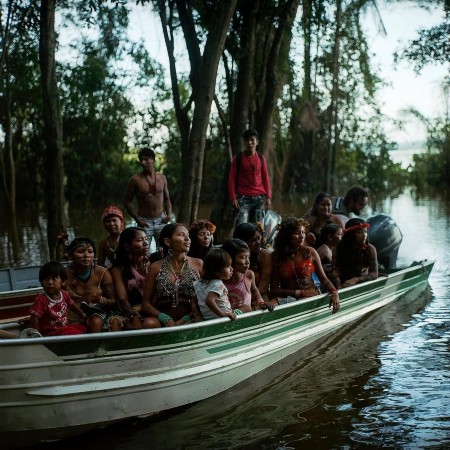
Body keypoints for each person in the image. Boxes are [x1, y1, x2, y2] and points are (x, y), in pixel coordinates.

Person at [270, 217, 340, 313]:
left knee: (297, 304)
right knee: (269, 305)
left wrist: (334, 292)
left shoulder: (310, 252)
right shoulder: (276, 256)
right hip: (289, 297)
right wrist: (299, 293)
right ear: (286, 236)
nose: (302, 236)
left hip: (311, 296)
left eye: (303, 232)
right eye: (297, 233)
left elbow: (324, 279)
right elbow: (274, 289)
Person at [141, 223, 203, 327]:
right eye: (182, 235)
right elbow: (145, 304)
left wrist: (188, 317)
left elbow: (207, 296)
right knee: (149, 323)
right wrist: (164, 318)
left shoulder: (198, 264)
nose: (187, 238)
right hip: (165, 322)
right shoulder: (155, 267)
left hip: (192, 319)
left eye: (188, 235)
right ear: (168, 241)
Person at [65, 237, 122, 333]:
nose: (86, 255)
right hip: (73, 317)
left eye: (90, 252)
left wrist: (102, 300)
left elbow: (113, 301)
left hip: (100, 314)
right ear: (71, 254)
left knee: (110, 321)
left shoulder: (103, 273)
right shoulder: (63, 275)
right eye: (81, 251)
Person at [124, 147, 172, 252]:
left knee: (164, 250)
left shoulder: (161, 177)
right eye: (141, 160)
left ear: (153, 160)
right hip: (144, 222)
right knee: (143, 251)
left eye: (146, 159)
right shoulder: (135, 180)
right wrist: (137, 219)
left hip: (161, 220)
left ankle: (161, 268)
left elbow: (167, 199)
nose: (143, 162)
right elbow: (127, 201)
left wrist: (168, 215)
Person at [29, 261, 87, 336]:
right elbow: (34, 316)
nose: (50, 282)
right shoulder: (41, 299)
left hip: (63, 328)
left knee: (83, 329)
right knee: (76, 333)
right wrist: (37, 334)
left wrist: (84, 316)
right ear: (41, 282)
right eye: (46, 279)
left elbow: (73, 306)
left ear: (63, 282)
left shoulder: (64, 294)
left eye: (54, 279)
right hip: (50, 332)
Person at [110, 227, 152, 330]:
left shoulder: (152, 264)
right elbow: (122, 298)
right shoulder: (118, 268)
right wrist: (134, 316)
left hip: (151, 307)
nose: (145, 243)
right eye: (139, 240)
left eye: (146, 238)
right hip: (128, 310)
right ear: (127, 246)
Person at [228, 128, 272, 225]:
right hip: (243, 198)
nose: (250, 143)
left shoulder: (261, 158)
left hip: (259, 199)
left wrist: (268, 197)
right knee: (242, 226)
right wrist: (233, 198)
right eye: (247, 140)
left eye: (252, 140)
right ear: (244, 142)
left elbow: (265, 177)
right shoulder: (238, 158)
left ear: (257, 142)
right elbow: (232, 178)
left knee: (258, 227)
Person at [221, 238, 274, 312]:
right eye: (243, 257)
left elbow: (255, 290)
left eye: (248, 257)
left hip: (246, 319)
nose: (248, 262)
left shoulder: (249, 275)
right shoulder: (220, 281)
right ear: (229, 259)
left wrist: (261, 302)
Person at [332, 218, 378, 289]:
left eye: (365, 232)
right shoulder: (338, 248)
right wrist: (339, 286)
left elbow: (374, 274)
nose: (364, 235)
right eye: (359, 232)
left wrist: (356, 279)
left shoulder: (371, 249)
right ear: (350, 235)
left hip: (362, 283)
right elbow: (335, 270)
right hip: (343, 282)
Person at [232, 222, 273, 302]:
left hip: (258, 297)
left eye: (259, 238)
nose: (258, 242)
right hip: (235, 296)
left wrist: (246, 301)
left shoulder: (264, 255)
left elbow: (263, 287)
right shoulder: (231, 256)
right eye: (253, 240)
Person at [194, 248, 237, 320]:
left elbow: (193, 301)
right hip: (221, 320)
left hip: (207, 319)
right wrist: (223, 314)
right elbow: (209, 301)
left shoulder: (198, 283)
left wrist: (197, 315)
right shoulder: (218, 284)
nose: (231, 269)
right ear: (217, 270)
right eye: (228, 266)